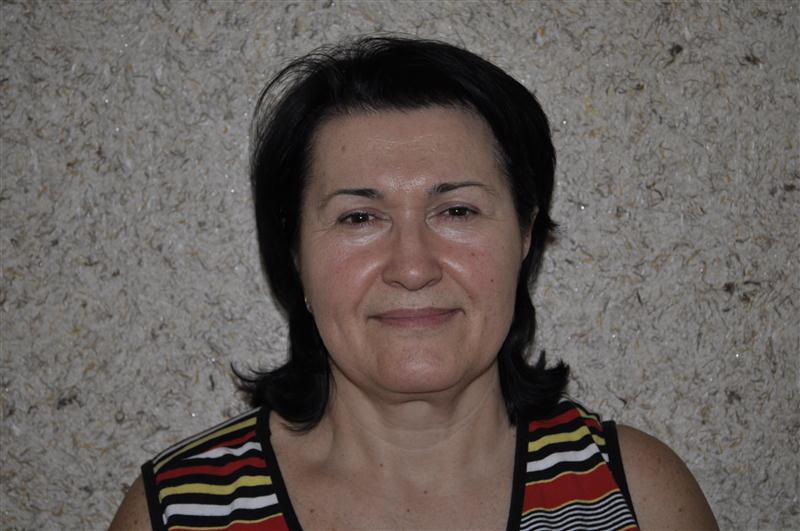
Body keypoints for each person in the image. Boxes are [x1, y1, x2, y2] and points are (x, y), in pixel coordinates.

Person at [110, 36, 718, 530]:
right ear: (295, 255)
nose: (412, 267)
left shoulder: (639, 499)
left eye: (456, 211)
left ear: (525, 236)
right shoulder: (177, 514)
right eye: (359, 218)